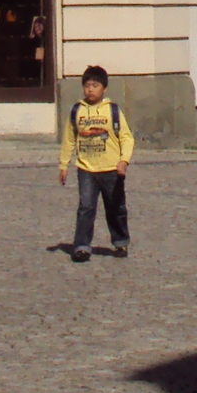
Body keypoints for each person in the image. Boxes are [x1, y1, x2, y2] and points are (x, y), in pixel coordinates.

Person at [59, 65, 134, 262]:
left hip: (111, 170)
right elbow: (69, 139)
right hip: (86, 169)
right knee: (86, 207)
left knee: (116, 207)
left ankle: (120, 241)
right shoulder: (77, 111)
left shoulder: (112, 111)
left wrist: (124, 161)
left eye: (95, 85)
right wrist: (64, 165)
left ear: (105, 88)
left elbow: (126, 138)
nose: (90, 89)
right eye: (87, 85)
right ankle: (82, 246)